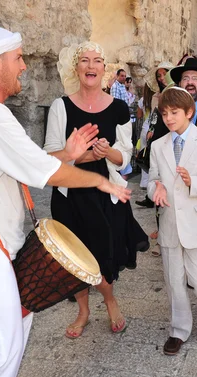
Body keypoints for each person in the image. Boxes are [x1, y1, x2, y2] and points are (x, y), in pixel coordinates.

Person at [0, 26, 131, 377]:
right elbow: (47, 173)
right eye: (18, 58)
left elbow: (27, 162)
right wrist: (99, 182)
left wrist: (67, 154)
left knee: (10, 344)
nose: (24, 66)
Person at [44, 41, 149, 339]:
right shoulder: (60, 107)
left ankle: (110, 300)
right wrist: (83, 155)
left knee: (104, 252)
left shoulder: (117, 107)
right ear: (75, 68)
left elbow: (125, 156)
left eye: (97, 61)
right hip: (70, 195)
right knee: (75, 257)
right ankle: (83, 311)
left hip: (106, 194)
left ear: (104, 69)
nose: (91, 66)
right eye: (84, 61)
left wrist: (107, 153)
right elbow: (50, 157)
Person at [148, 87, 197, 355]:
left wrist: (194, 182)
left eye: (174, 113)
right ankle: (178, 330)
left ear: (189, 112)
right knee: (174, 282)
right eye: (164, 113)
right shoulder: (158, 146)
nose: (168, 118)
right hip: (170, 222)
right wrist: (155, 189)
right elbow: (152, 179)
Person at [136, 61, 174, 209]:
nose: (162, 78)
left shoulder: (175, 92)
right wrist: (151, 130)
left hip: (168, 132)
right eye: (159, 75)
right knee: (154, 165)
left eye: (165, 74)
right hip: (154, 132)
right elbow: (153, 115)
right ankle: (151, 196)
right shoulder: (156, 96)